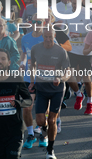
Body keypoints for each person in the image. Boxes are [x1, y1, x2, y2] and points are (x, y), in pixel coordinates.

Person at [29, 29, 71, 159]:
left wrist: (61, 78)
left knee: (52, 119)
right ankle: (45, 128)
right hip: (41, 88)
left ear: (54, 36)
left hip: (57, 90)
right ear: (42, 36)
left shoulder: (61, 51)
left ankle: (50, 151)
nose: (48, 39)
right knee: (41, 121)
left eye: (50, 37)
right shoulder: (35, 48)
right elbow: (32, 65)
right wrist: (32, 82)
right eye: (46, 37)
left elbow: (68, 71)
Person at [63, 0, 92, 115]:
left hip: (85, 51)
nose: (74, 6)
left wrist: (81, 35)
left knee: (86, 78)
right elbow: (64, 30)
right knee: (68, 76)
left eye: (76, 3)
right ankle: (78, 94)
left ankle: (90, 101)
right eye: (73, 3)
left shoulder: (88, 13)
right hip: (72, 49)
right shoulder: (67, 13)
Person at [19, 14, 45, 149]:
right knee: (27, 108)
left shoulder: (47, 37)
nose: (36, 23)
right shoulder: (25, 38)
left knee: (43, 111)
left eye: (38, 21)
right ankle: (30, 134)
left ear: (43, 22)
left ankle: (43, 134)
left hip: (44, 78)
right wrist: (22, 63)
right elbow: (24, 53)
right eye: (33, 21)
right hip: (29, 78)